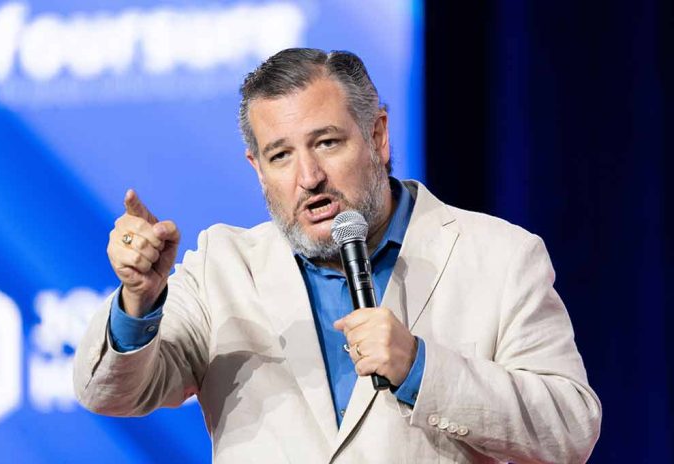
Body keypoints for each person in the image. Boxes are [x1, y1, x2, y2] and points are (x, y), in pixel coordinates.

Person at [74, 48, 601, 463]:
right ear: (258, 169)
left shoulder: (498, 256)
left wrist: (421, 368)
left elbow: (570, 429)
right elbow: (110, 395)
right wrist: (140, 300)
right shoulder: (223, 266)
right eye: (281, 155)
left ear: (378, 135)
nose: (309, 179)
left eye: (327, 143)